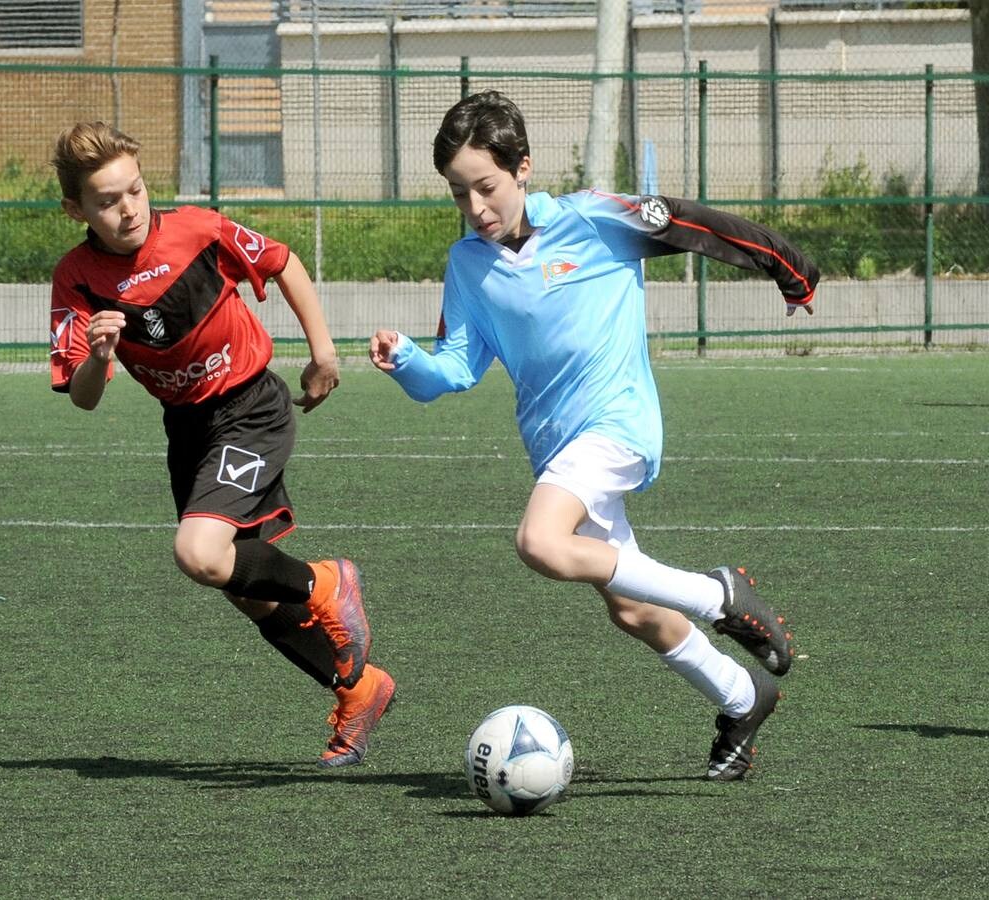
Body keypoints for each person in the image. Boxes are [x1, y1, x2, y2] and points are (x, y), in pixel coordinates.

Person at [370, 91, 818, 781]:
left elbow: (697, 226)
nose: (477, 209)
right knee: (635, 609)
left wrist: (789, 268)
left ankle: (720, 595)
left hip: (618, 426)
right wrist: (406, 362)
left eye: (486, 188)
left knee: (539, 542)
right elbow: (454, 371)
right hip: (557, 450)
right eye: (460, 195)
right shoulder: (469, 265)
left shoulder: (591, 218)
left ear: (523, 168)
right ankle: (742, 695)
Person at [49, 121, 394, 767]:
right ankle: (359, 688)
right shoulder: (77, 278)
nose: (127, 208)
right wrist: (100, 355)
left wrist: (324, 354)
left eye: (136, 190)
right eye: (106, 200)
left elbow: (281, 260)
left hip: (249, 409)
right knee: (245, 587)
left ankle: (327, 582)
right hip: (188, 428)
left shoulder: (198, 230)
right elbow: (83, 395)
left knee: (199, 554)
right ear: (76, 210)